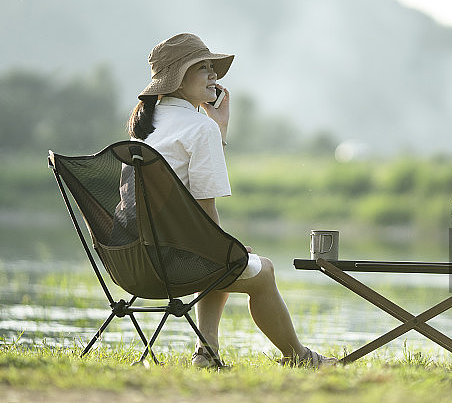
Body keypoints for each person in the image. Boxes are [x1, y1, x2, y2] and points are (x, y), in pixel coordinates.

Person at [123, 33, 335, 369]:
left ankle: (206, 353)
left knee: (219, 253)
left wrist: (218, 128)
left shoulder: (146, 128)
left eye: (213, 68)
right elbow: (205, 210)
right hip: (175, 264)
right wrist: (224, 250)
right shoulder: (198, 128)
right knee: (263, 270)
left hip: (131, 263)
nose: (213, 75)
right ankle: (300, 357)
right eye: (202, 68)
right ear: (178, 80)